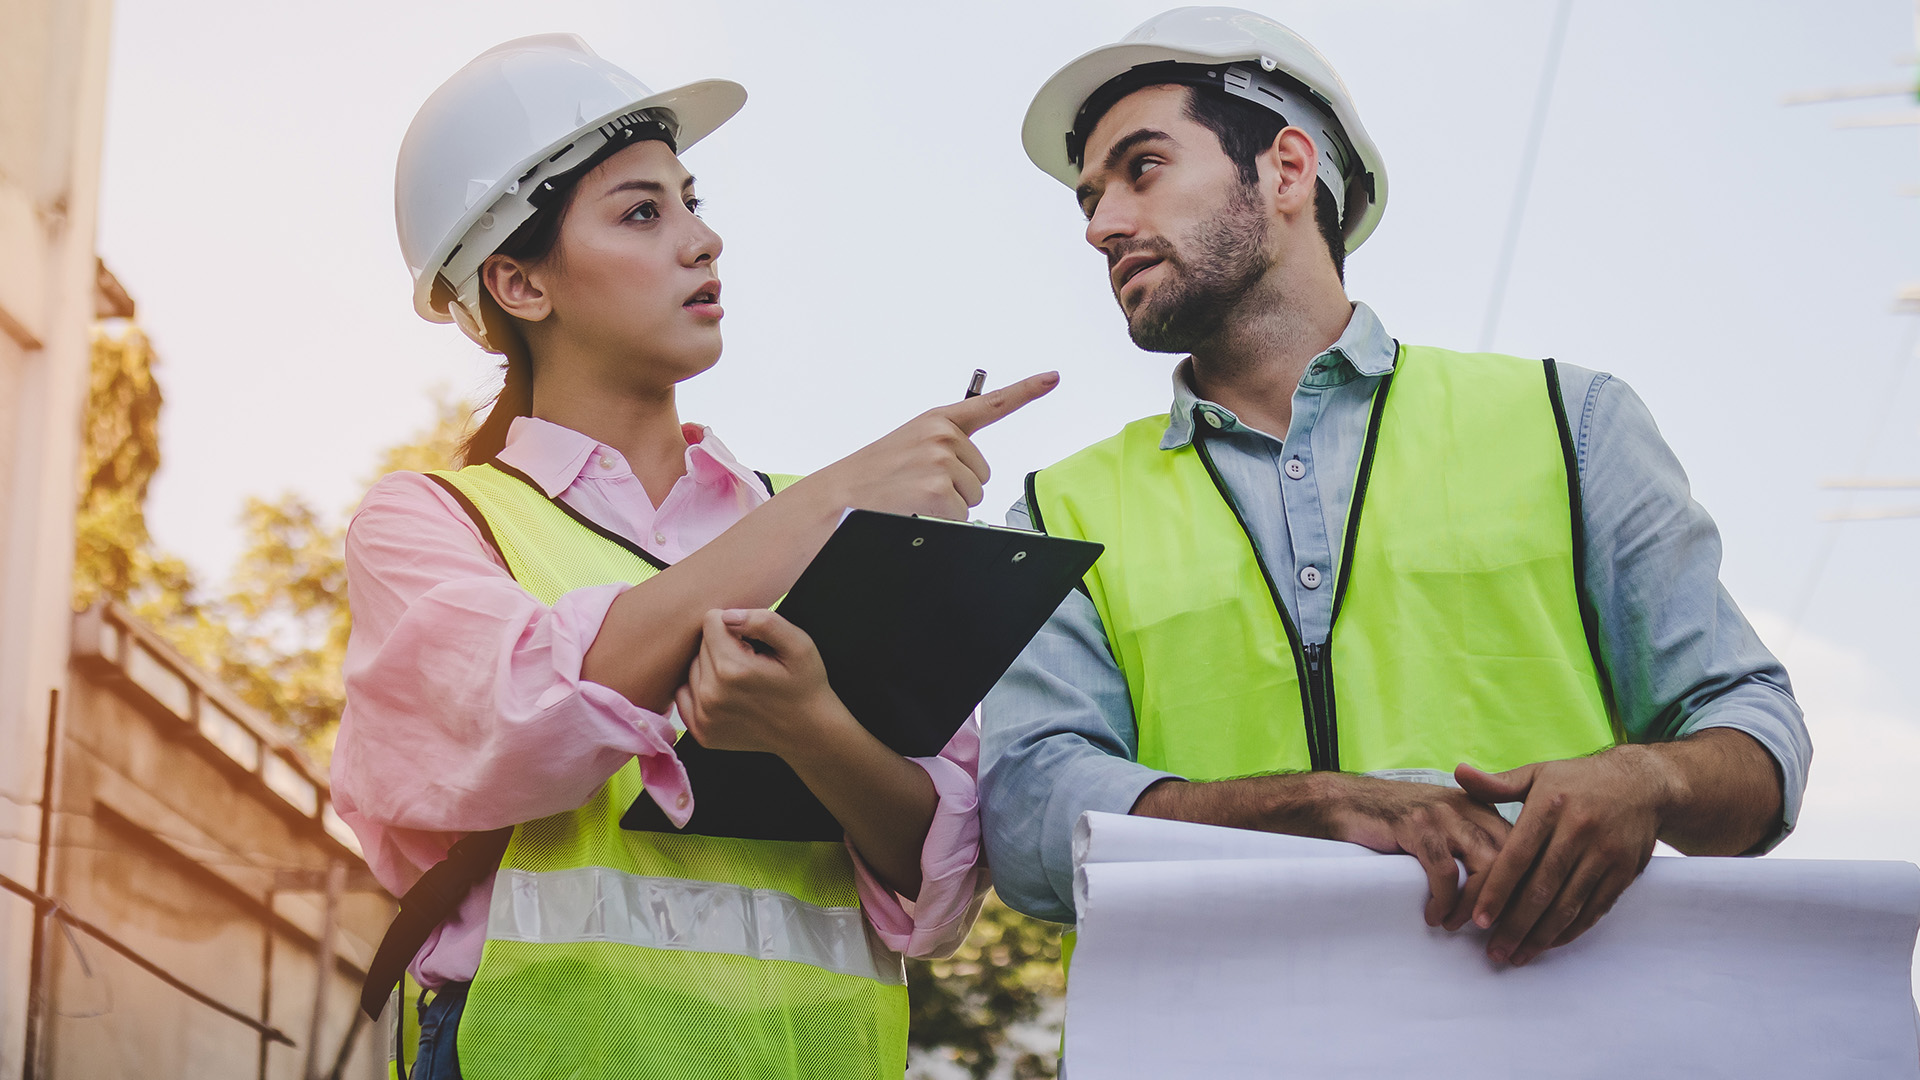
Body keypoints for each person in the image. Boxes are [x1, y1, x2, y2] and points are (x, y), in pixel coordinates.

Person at [981, 6, 1811, 976]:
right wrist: (1311, 803)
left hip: (1542, 1035)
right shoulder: (1060, 508)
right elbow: (1030, 820)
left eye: (1143, 167)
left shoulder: (1567, 422)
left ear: (1287, 169)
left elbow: (1756, 743)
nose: (1102, 224)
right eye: (1088, 199)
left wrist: (1651, 777)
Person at [332, 35, 1048, 1079]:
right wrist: (835, 503)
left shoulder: (802, 521)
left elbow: (940, 884)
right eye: (642, 212)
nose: (704, 240)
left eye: (691, 200)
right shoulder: (434, 525)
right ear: (519, 284)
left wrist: (810, 731)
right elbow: (518, 712)